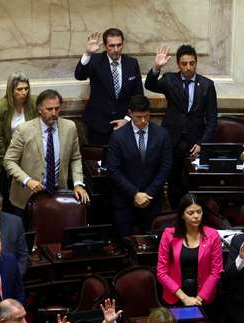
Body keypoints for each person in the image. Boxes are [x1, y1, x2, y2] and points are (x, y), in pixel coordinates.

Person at [145, 44, 218, 209]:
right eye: (184, 64)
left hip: (195, 143)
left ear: (196, 62)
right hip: (172, 141)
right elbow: (150, 85)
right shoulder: (170, 80)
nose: (188, 67)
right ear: (178, 64)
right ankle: (175, 214)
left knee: (192, 183)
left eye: (192, 63)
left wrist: (202, 143)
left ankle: (192, 214)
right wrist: (157, 66)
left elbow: (212, 119)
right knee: (173, 183)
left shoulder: (207, 85)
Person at [3, 89, 89, 213]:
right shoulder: (24, 130)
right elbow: (9, 161)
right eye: (49, 109)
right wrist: (27, 180)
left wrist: (78, 184)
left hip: (57, 194)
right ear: (39, 109)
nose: (54, 113)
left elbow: (75, 158)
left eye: (57, 108)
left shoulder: (70, 127)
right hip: (26, 196)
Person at [106, 94, 172, 237]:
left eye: (146, 116)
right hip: (125, 200)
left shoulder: (162, 134)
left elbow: (166, 166)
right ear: (130, 113)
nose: (143, 121)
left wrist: (148, 194)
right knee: (124, 243)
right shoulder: (118, 137)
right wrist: (135, 194)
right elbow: (113, 170)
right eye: (138, 117)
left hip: (152, 201)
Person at [74, 28, 143, 145]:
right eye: (111, 46)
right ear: (105, 46)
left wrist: (127, 119)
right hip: (98, 125)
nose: (116, 50)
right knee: (100, 161)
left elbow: (138, 95)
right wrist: (87, 54)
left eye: (119, 45)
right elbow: (80, 75)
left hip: (125, 125)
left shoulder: (132, 63)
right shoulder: (95, 61)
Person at [156, 193, 222, 307]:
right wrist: (184, 298)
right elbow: (161, 273)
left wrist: (199, 298)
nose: (196, 216)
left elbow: (216, 271)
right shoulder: (168, 234)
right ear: (182, 215)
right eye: (190, 213)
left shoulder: (213, 235)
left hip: (203, 298)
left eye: (199, 212)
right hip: (175, 296)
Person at [0, 72, 38, 209]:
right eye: (19, 89)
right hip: (1, 161)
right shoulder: (1, 106)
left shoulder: (33, 103)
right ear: (11, 90)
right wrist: (9, 166)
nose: (24, 92)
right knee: (5, 201)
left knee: (24, 201)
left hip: (26, 158)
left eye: (26, 88)